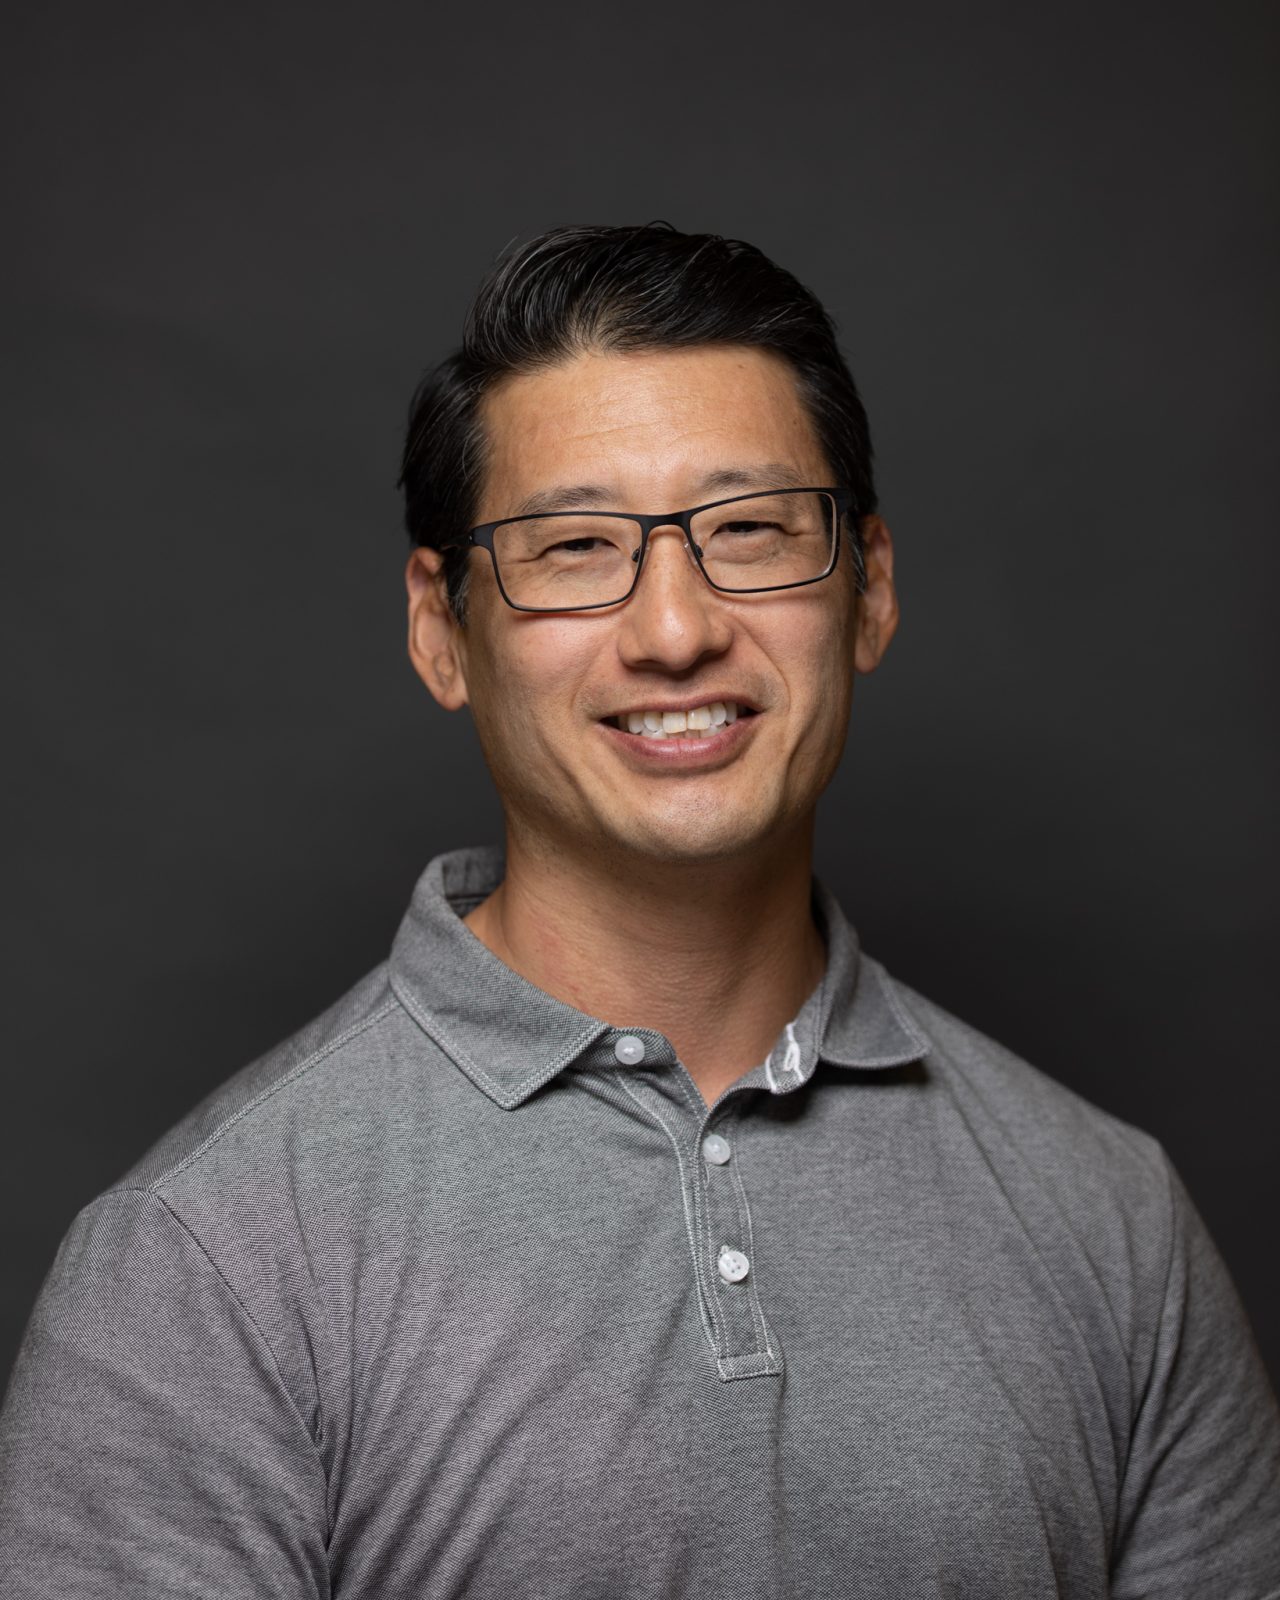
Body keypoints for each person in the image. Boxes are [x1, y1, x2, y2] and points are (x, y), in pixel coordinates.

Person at [1, 222, 1277, 1599]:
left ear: (872, 587)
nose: (675, 628)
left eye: (750, 531)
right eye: (574, 546)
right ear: (444, 627)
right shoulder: (205, 1260)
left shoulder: (1113, 1222)